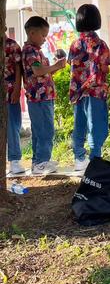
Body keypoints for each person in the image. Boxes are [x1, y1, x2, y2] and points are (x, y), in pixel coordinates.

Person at [68, 4, 110, 171]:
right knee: (96, 125)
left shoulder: (75, 44)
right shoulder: (101, 44)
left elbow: (71, 64)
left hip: (78, 91)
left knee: (80, 125)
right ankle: (95, 157)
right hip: (95, 90)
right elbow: (105, 68)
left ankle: (79, 158)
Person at [22, 16, 66, 174]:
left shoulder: (36, 51)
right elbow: (38, 71)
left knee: (39, 130)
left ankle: (38, 161)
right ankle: (41, 161)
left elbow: (43, 73)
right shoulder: (30, 51)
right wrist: (54, 65)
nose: (44, 39)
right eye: (43, 35)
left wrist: (57, 67)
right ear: (32, 33)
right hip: (39, 97)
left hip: (43, 97)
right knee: (46, 130)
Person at [5, 33, 24, 174]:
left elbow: (19, 68)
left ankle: (14, 160)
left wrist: (17, 89)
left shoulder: (12, 45)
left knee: (13, 126)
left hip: (10, 91)